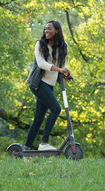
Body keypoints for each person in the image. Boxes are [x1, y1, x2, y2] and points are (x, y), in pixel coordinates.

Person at [24, 20, 70, 151]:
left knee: (38, 119)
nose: (46, 31)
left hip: (49, 84)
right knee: (56, 109)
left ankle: (26, 149)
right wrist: (59, 70)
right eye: (45, 29)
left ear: (57, 30)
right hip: (37, 83)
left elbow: (63, 64)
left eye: (49, 29)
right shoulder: (39, 44)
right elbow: (41, 64)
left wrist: (66, 72)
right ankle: (44, 143)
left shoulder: (63, 46)